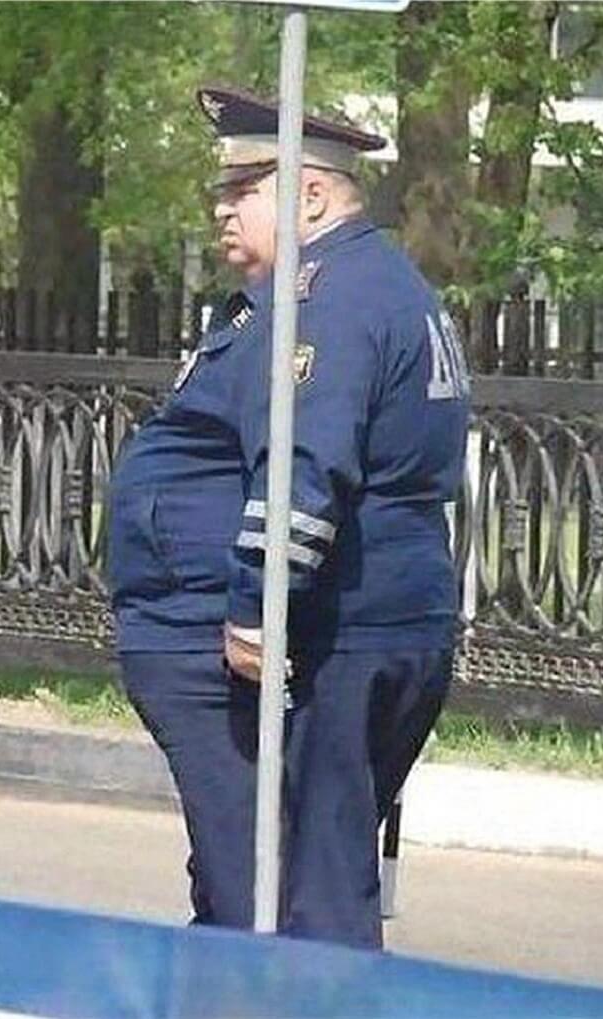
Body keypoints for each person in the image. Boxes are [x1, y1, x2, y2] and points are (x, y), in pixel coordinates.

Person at [107, 86, 469, 950]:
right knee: (280, 881)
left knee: (305, 899)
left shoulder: (327, 298)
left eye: (244, 189)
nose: (221, 209)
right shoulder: (357, 284)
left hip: (338, 629)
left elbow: (305, 462)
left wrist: (254, 605)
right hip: (372, 618)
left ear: (311, 196)